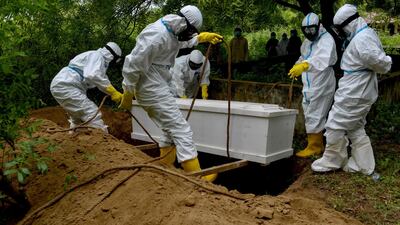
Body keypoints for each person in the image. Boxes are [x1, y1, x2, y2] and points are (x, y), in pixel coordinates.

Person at [119, 5, 222, 181]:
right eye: (191, 31)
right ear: (184, 23)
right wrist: (128, 91)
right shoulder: (156, 35)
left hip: (158, 85)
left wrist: (200, 38)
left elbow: (180, 42)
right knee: (181, 129)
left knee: (169, 129)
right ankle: (198, 178)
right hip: (150, 87)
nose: (190, 35)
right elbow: (133, 63)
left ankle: (166, 167)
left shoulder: (171, 31)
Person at [311, 4, 392, 175]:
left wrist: (388, 60)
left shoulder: (362, 39)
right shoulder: (363, 35)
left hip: (356, 89)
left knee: (334, 123)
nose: (341, 32)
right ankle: (363, 165)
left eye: (341, 28)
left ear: (349, 23)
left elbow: (380, 63)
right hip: (358, 86)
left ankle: (333, 159)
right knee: (355, 127)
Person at [288, 13, 337, 158]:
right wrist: (297, 66)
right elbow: (304, 57)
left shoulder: (326, 39)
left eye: (312, 29)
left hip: (322, 81)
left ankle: (315, 147)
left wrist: (304, 66)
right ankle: (315, 143)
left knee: (316, 113)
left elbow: (322, 59)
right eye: (306, 30)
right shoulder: (307, 42)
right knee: (309, 112)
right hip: (309, 82)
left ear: (318, 26)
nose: (309, 33)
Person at [50, 42, 123, 133]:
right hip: (66, 85)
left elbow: (101, 78)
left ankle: (73, 138)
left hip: (65, 85)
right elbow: (93, 75)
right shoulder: (97, 56)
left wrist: (113, 92)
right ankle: (102, 140)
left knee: (77, 118)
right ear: (112, 56)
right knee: (91, 112)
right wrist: (113, 92)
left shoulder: (97, 59)